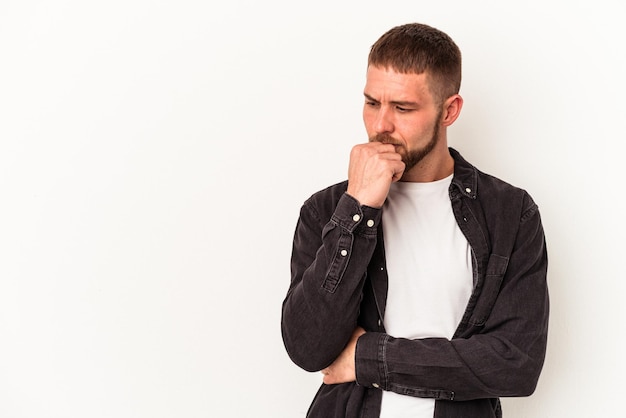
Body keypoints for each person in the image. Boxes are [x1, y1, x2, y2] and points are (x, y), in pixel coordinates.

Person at [280, 22, 549, 418]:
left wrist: (367, 358)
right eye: (372, 103)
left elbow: (515, 363)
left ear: (449, 110)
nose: (380, 126)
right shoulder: (327, 210)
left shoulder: (510, 214)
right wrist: (358, 207)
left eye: (403, 108)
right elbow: (307, 347)